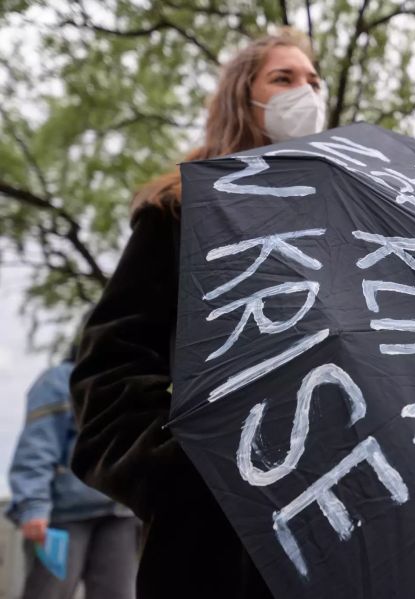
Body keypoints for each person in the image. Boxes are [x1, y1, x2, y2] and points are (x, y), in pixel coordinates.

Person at [69, 29, 327, 599]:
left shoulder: (340, 224)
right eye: (283, 78)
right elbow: (106, 374)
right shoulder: (181, 214)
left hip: (335, 536)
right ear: (244, 97)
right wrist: (191, 476)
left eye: (313, 80)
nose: (305, 93)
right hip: (215, 555)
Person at [7, 349, 139, 599]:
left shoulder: (128, 380)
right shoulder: (58, 380)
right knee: (49, 593)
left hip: (119, 513)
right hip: (63, 516)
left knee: (118, 593)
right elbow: (36, 447)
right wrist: (33, 506)